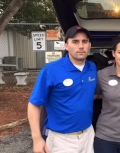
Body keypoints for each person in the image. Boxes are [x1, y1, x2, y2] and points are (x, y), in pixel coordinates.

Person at [27, 25, 97, 153]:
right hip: (62, 140)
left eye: (84, 41)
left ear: (89, 45)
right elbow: (34, 105)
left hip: (88, 134)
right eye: (75, 42)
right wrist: (36, 138)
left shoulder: (92, 68)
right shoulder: (51, 70)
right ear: (66, 46)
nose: (81, 46)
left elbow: (88, 94)